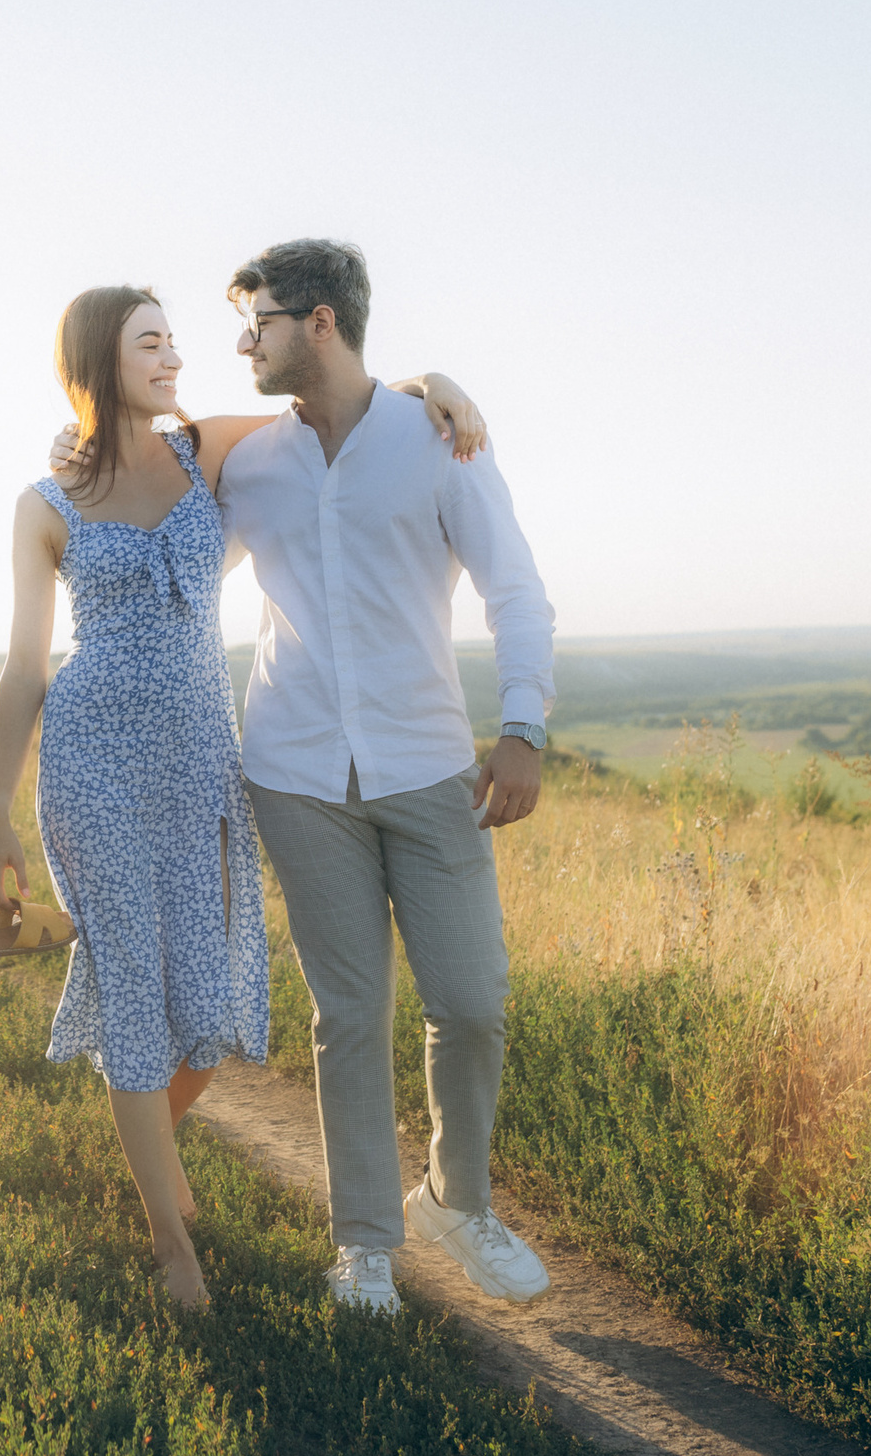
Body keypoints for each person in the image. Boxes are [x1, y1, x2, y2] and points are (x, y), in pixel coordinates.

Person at [50, 239, 556, 1317]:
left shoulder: (433, 444)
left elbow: (515, 590)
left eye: (260, 322)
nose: (241, 344)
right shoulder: (248, 463)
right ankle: (363, 1243)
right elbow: (153, 514)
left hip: (427, 766)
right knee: (349, 1012)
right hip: (291, 772)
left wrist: (523, 728)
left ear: (319, 321)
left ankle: (454, 1202)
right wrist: (84, 453)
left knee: (470, 1002)